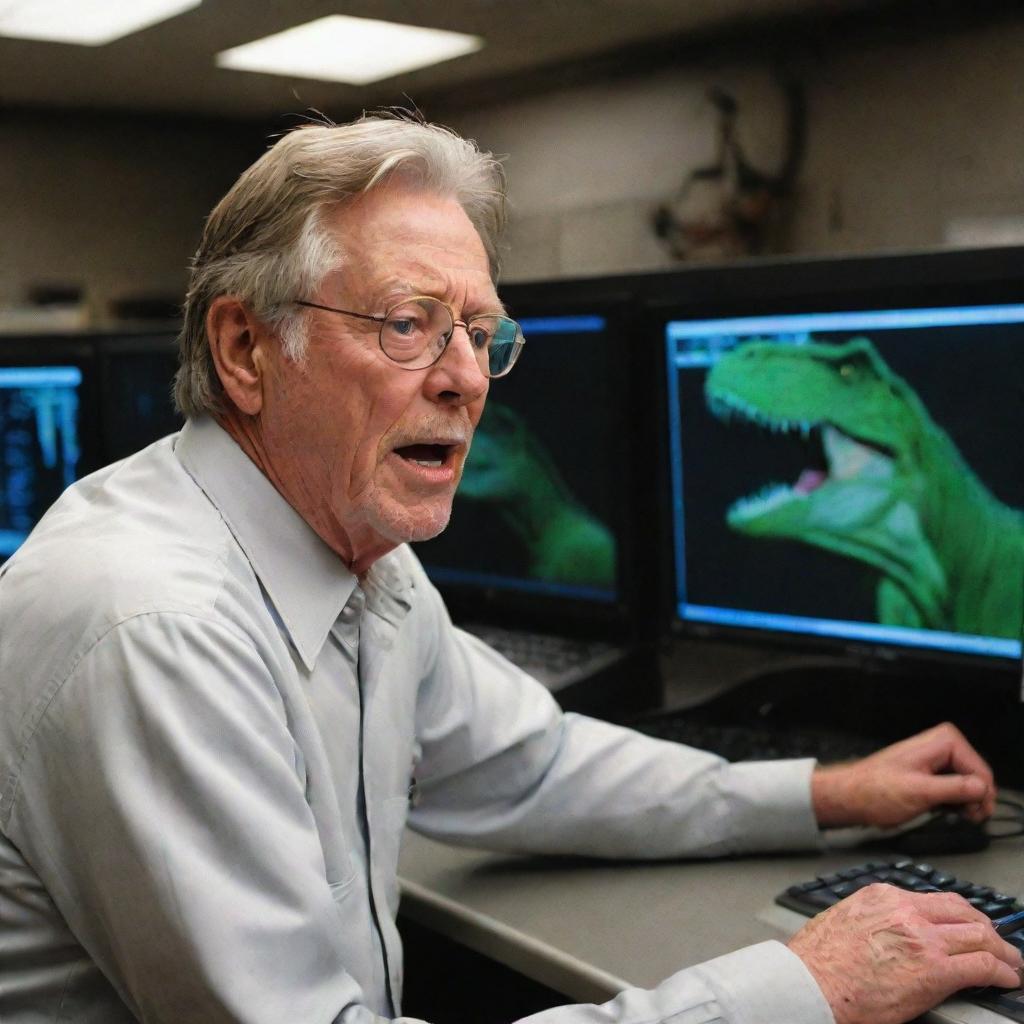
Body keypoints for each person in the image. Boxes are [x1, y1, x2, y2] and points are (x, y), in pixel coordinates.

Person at [0, 113, 1019, 1024]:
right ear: (245, 348)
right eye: (410, 324)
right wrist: (798, 988)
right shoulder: (154, 623)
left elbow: (533, 765)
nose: (466, 378)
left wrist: (825, 792)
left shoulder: (361, 562)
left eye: (482, 334)